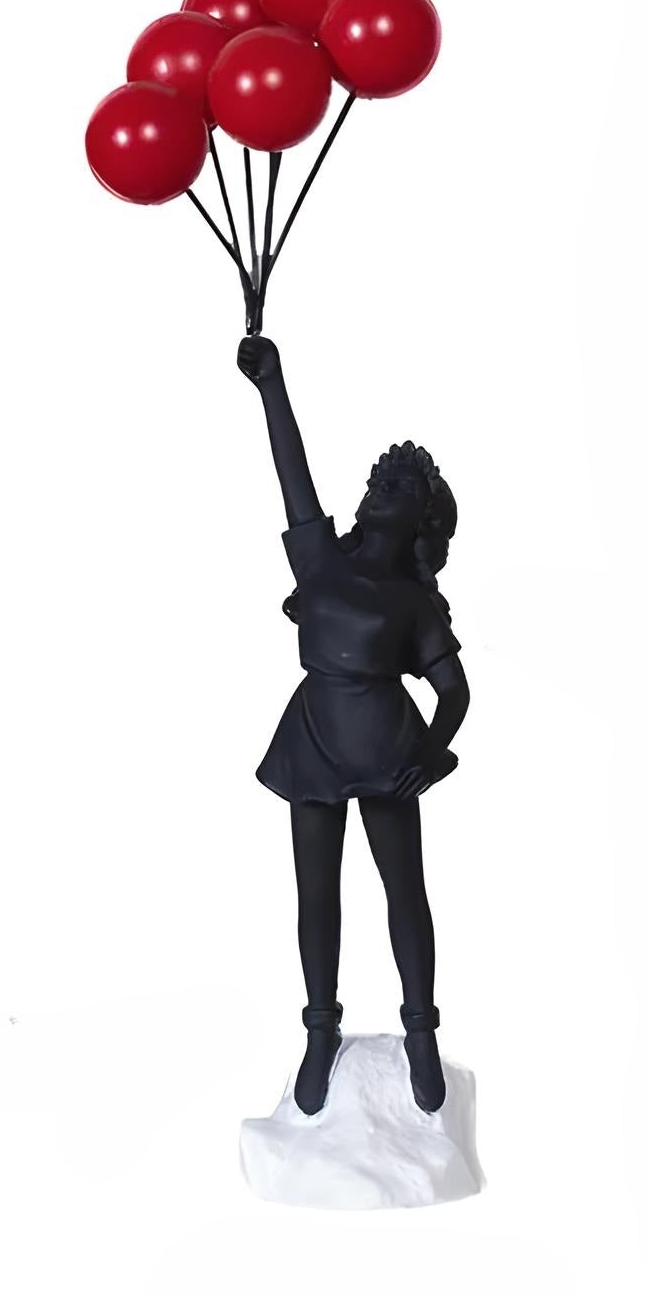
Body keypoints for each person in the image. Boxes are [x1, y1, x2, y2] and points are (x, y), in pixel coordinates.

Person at [237, 334, 470, 1115]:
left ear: (421, 517)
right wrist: (272, 386)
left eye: (397, 487)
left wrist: (432, 754)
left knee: (405, 891)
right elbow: (292, 477)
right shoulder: (322, 565)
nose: (378, 488)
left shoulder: (414, 602)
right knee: (317, 895)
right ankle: (319, 1029)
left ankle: (421, 1032)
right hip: (312, 738)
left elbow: (454, 691)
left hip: (385, 747)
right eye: (377, 479)